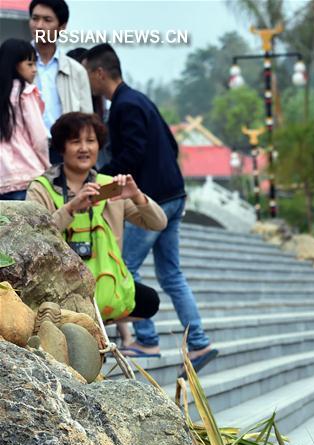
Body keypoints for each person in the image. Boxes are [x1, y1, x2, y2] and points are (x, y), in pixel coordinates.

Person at [82, 43, 217, 369]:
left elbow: (133, 154)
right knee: (171, 274)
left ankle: (146, 339)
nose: (87, 82)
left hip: (152, 201)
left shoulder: (125, 107)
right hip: (173, 196)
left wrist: (98, 177)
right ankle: (198, 343)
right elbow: (170, 144)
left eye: (87, 74)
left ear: (99, 73)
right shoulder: (140, 99)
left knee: (122, 266)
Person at [27, 112, 167, 325]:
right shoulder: (41, 187)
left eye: (91, 141)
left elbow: (158, 223)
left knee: (149, 301)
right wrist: (72, 208)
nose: (84, 148)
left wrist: (137, 196)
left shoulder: (110, 186)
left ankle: (99, 322)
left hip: (103, 279)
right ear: (61, 147)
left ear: (99, 146)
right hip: (60, 283)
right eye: (75, 141)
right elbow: (33, 239)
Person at [28, 0, 92, 156]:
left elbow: (87, 120)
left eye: (47, 20)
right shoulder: (12, 65)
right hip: (25, 152)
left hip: (64, 152)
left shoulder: (76, 71)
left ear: (62, 27)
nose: (39, 25)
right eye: (35, 18)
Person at [0, 39, 49, 200]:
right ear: (15, 65)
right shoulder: (25, 93)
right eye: (30, 64)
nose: (35, 70)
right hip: (27, 176)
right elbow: (39, 138)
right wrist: (47, 168)